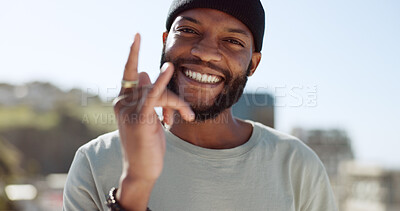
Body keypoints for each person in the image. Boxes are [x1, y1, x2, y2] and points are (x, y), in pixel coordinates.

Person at [63, 0, 338, 210]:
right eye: (188, 30)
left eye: (232, 41)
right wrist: (136, 182)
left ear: (253, 64)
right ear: (165, 41)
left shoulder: (297, 166)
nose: (205, 52)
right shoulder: (95, 161)